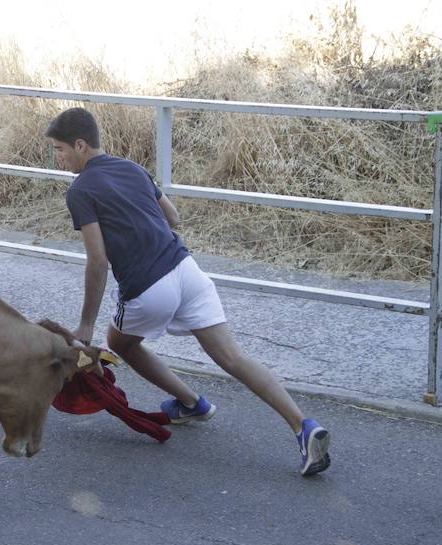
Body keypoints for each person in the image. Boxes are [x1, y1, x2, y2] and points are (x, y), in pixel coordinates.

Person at [44, 107, 331, 476]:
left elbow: (97, 261)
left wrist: (85, 326)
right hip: (187, 271)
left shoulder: (80, 189)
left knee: (121, 343)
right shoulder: (132, 167)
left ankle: (191, 401)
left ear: (80, 145)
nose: (58, 156)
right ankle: (302, 425)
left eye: (59, 149)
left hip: (149, 287)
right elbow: (174, 218)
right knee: (233, 357)